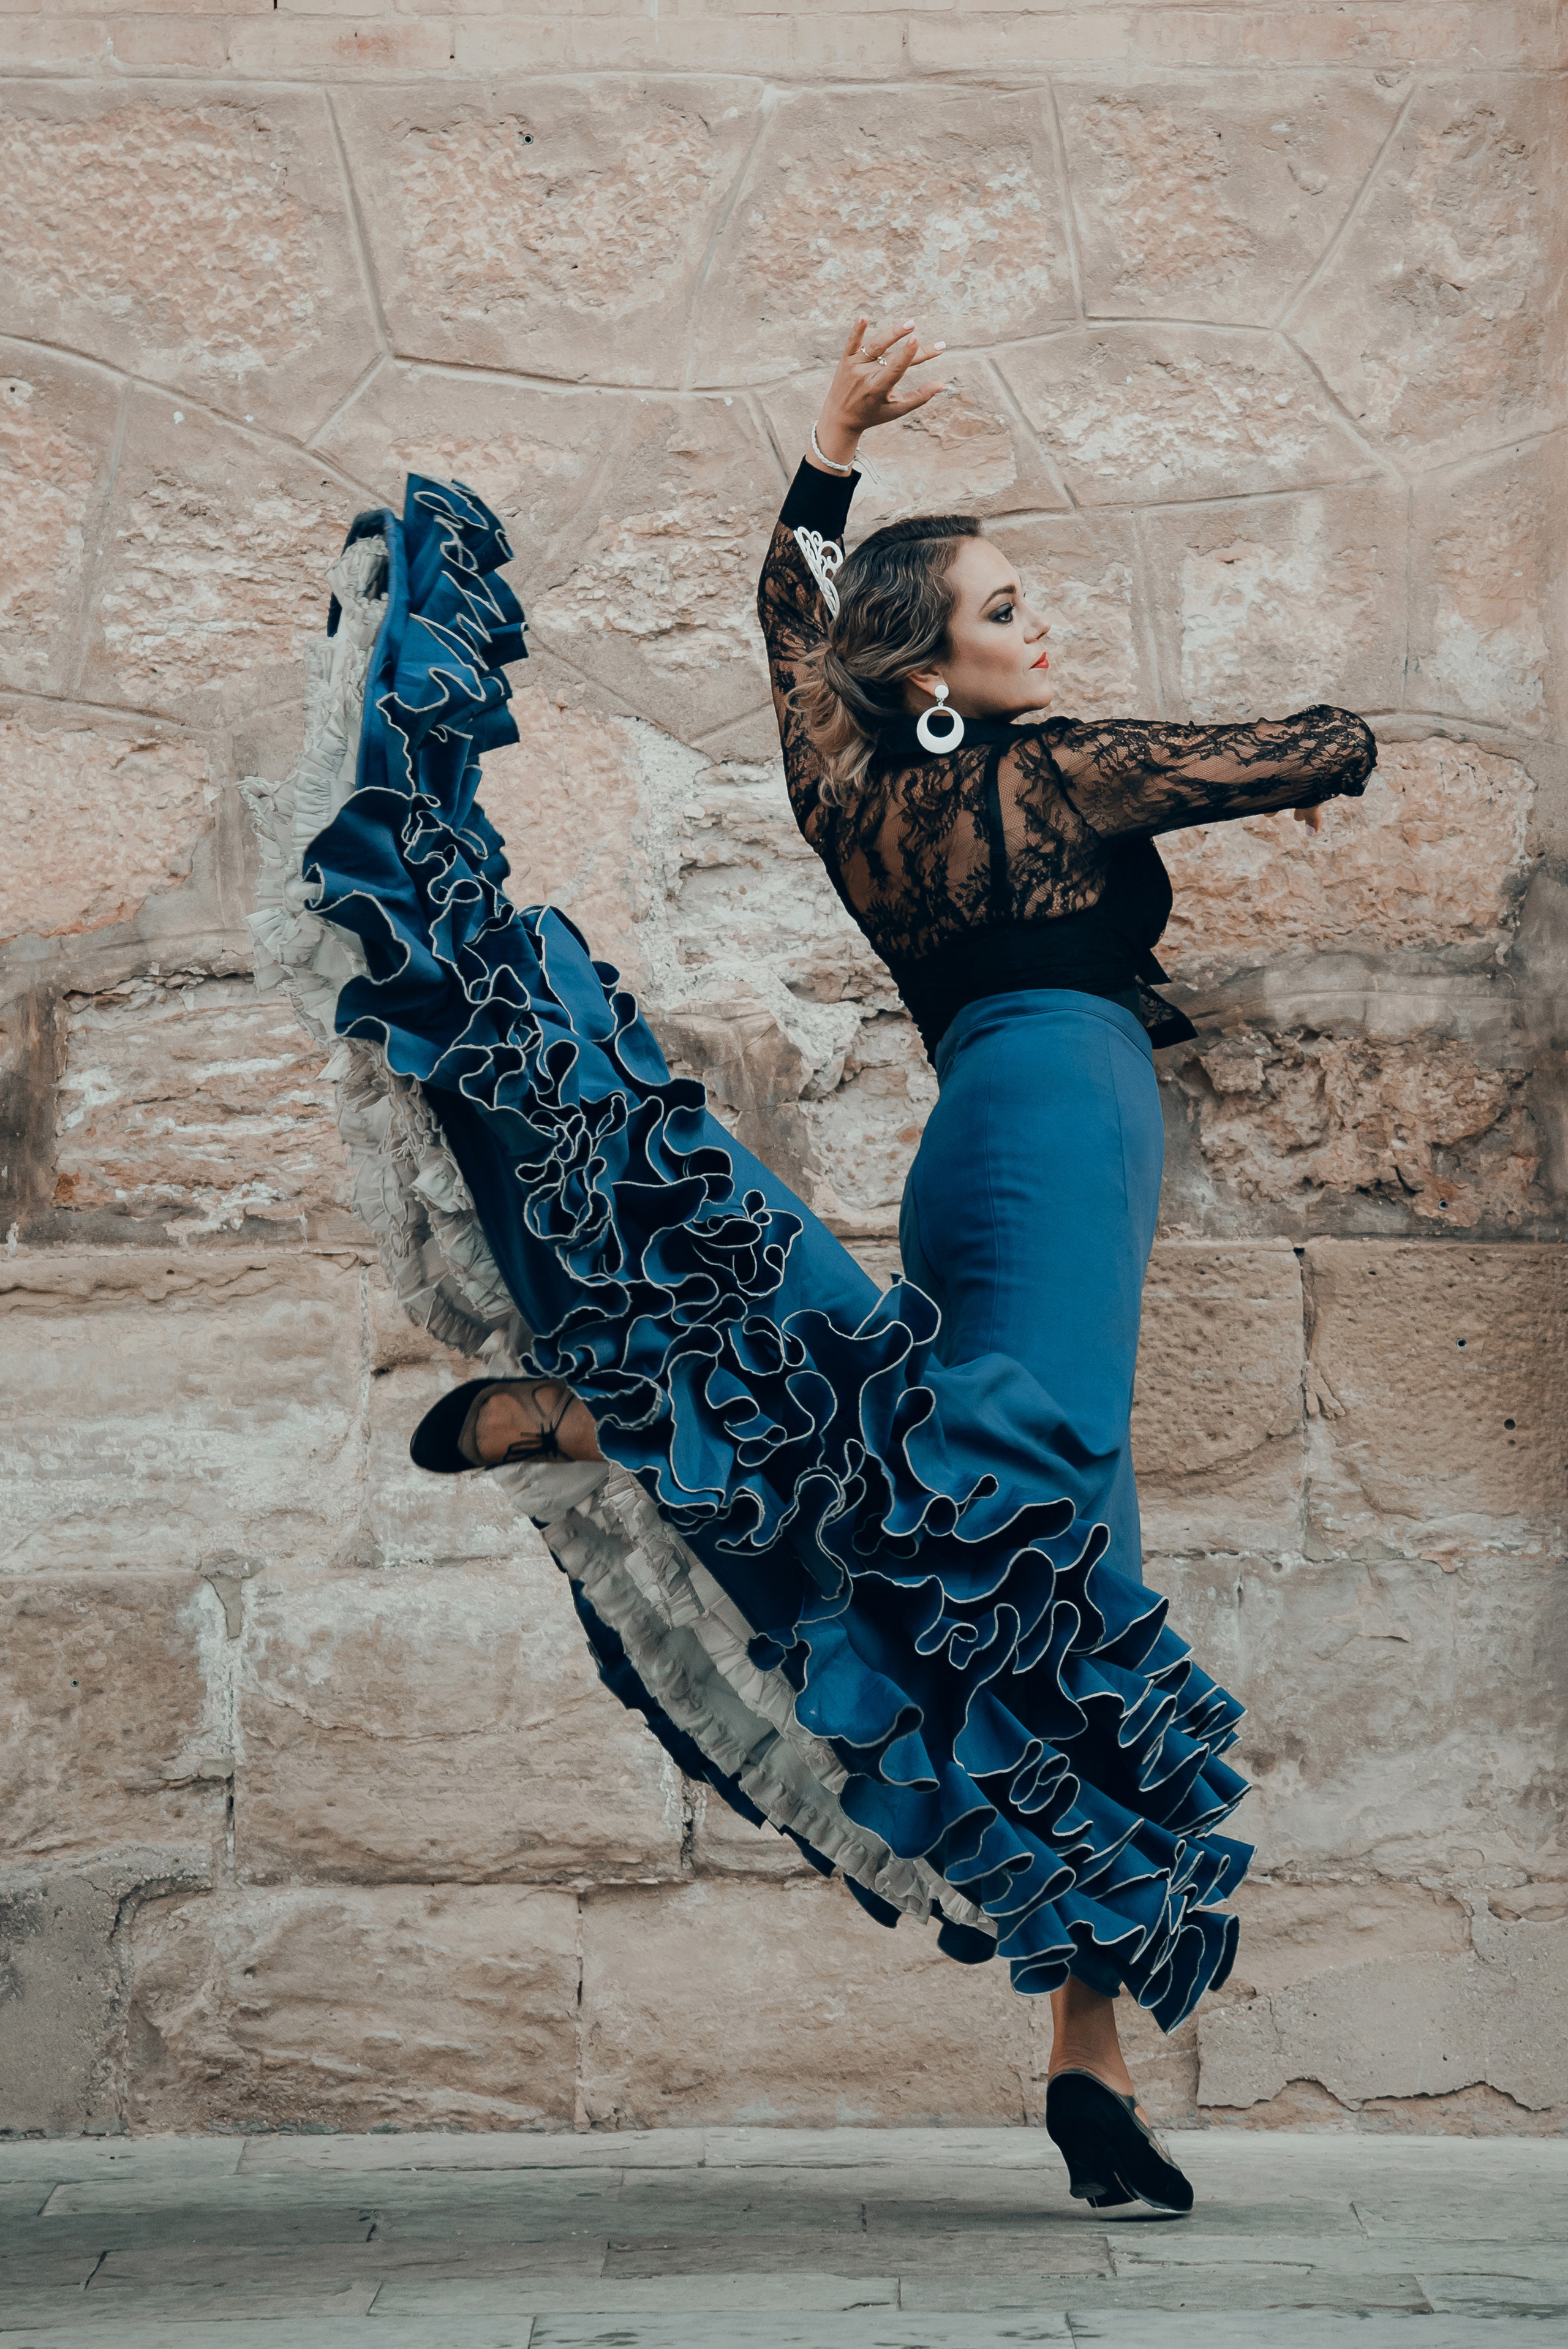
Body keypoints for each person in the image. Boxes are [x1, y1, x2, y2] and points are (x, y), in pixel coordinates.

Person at [244, 317, 1375, 2216]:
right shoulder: (1054, 773)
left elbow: (787, 610)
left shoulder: (857, 793)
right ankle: (634, 1407)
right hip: (1061, 1149)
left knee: (1056, 1578)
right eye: (1012, 611)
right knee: (1016, 1510)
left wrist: (830, 450)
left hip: (989, 1143)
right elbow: (1307, 745)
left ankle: (1088, 2067)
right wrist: (1319, 754)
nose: (1044, 632)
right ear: (935, 661)